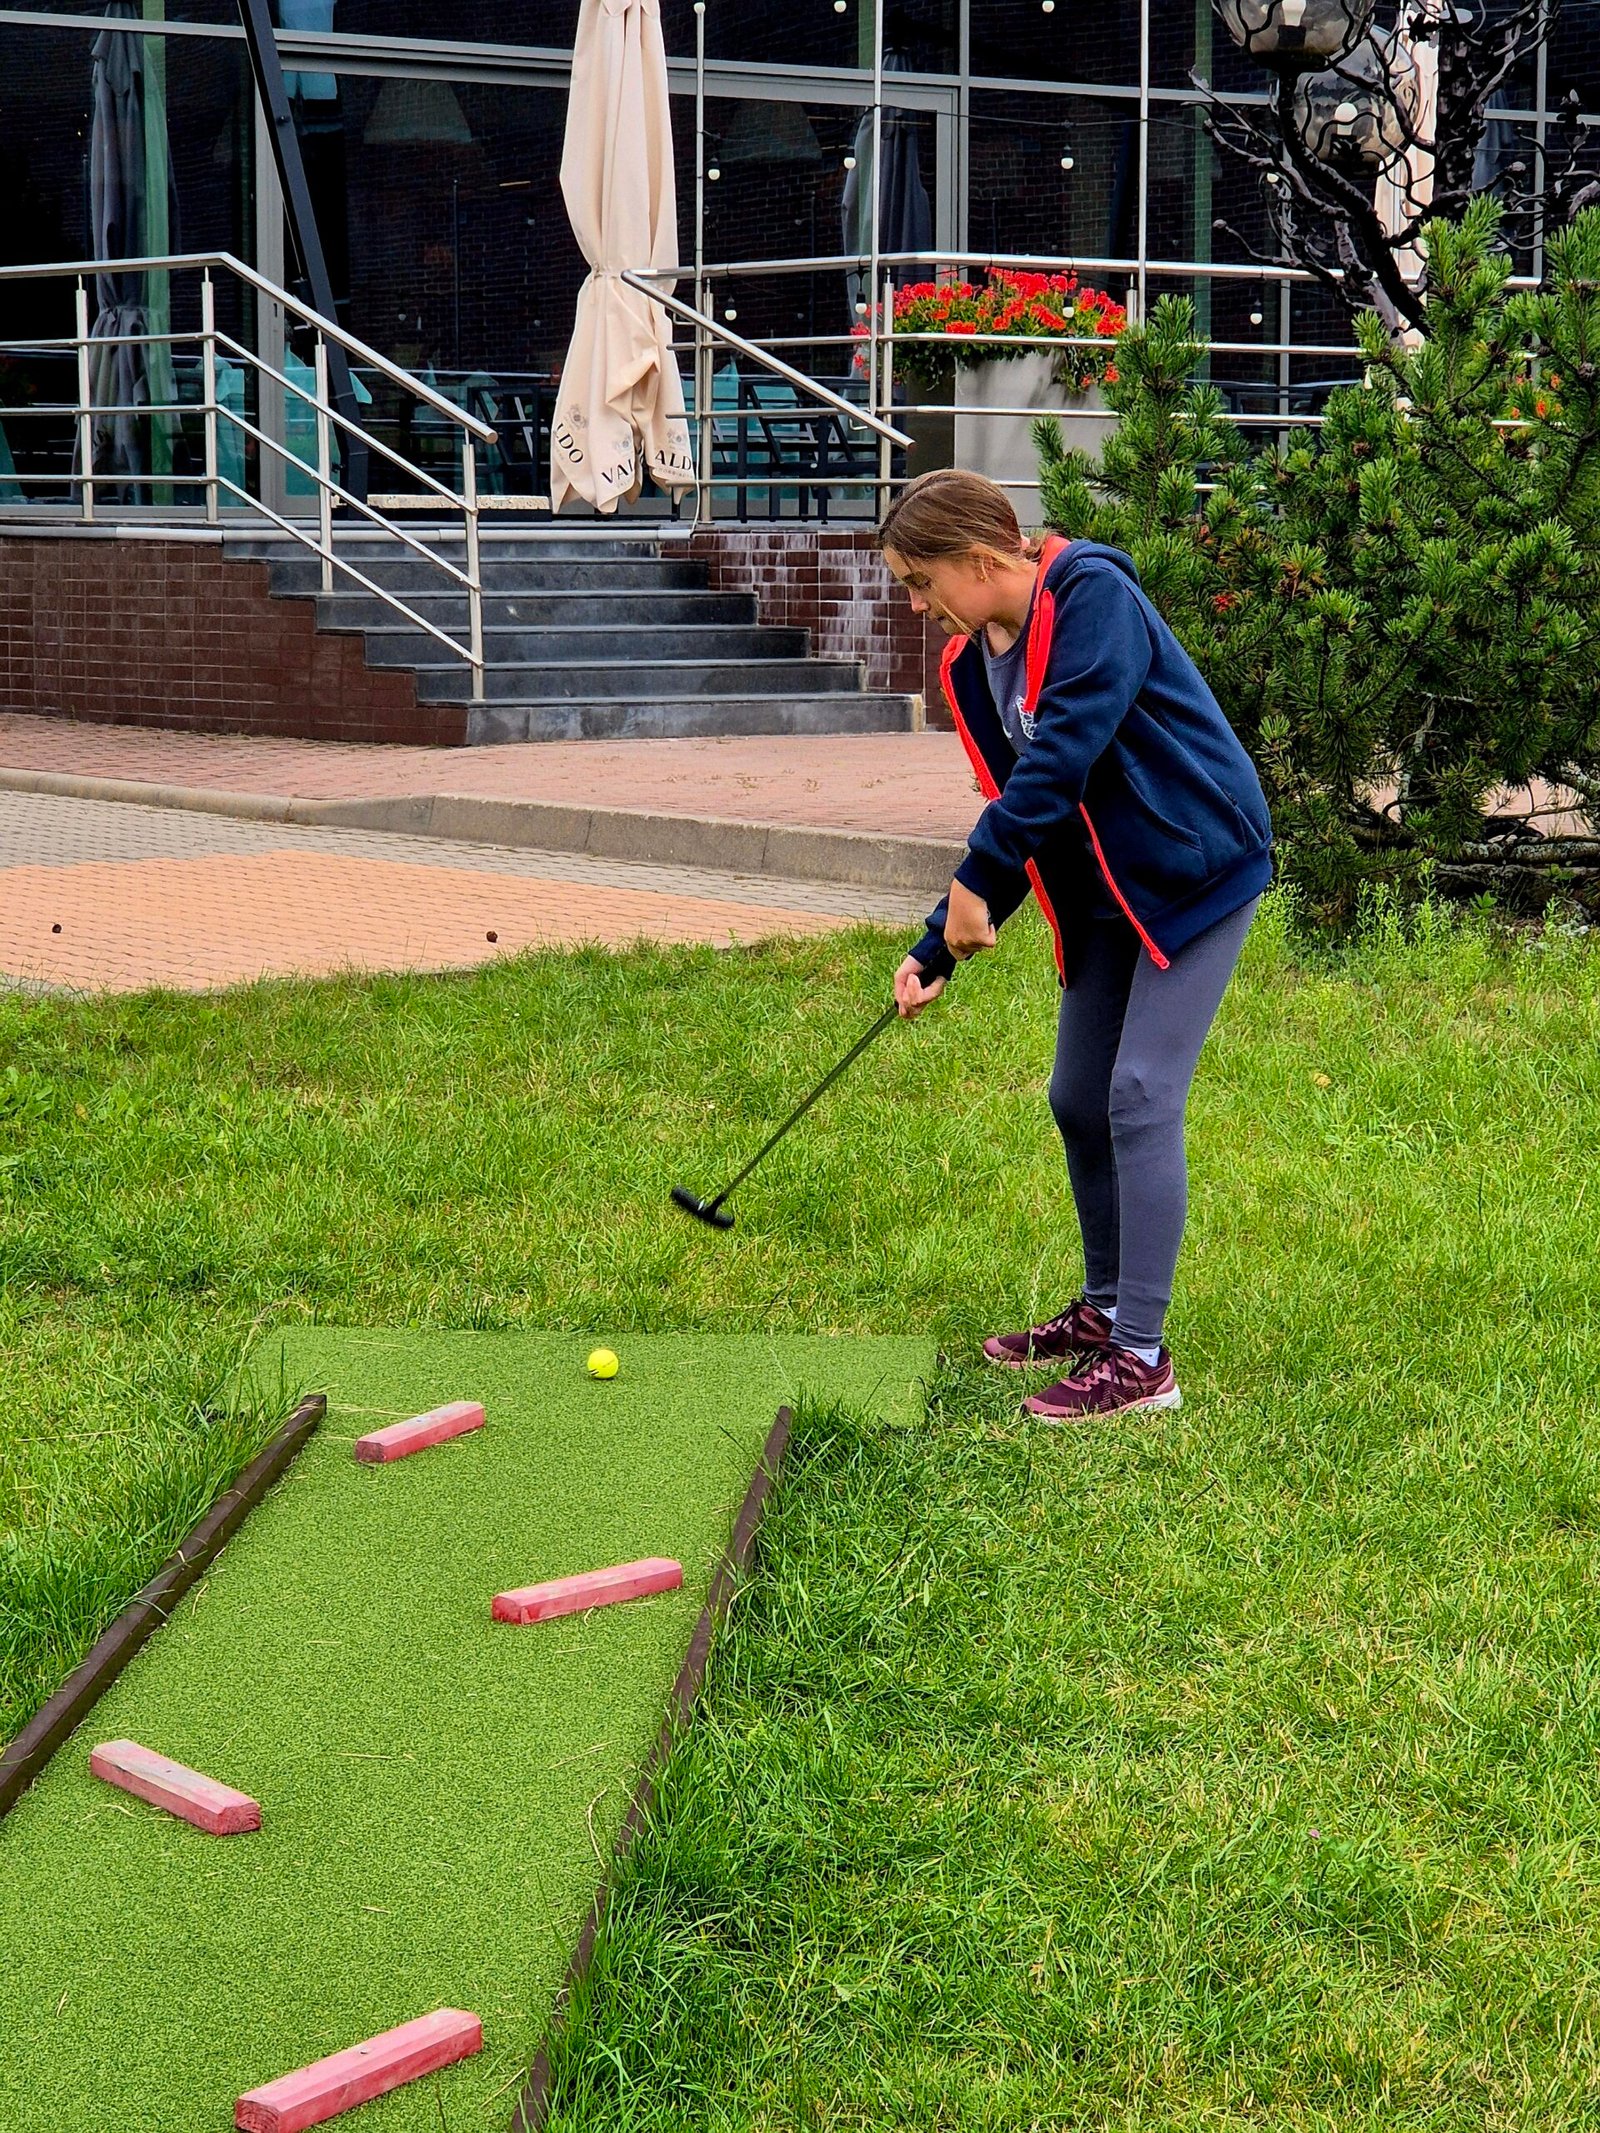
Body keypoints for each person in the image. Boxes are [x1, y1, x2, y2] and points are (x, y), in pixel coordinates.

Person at [883, 468, 1272, 1422]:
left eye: (922, 581)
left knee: (1139, 1093)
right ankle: (1103, 1311)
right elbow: (1030, 812)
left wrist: (975, 876)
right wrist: (939, 943)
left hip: (1195, 869)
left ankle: (1143, 1358)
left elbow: (1061, 759)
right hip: (1102, 893)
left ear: (981, 558)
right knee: (1077, 1095)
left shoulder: (1093, 598)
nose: (918, 605)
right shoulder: (972, 666)